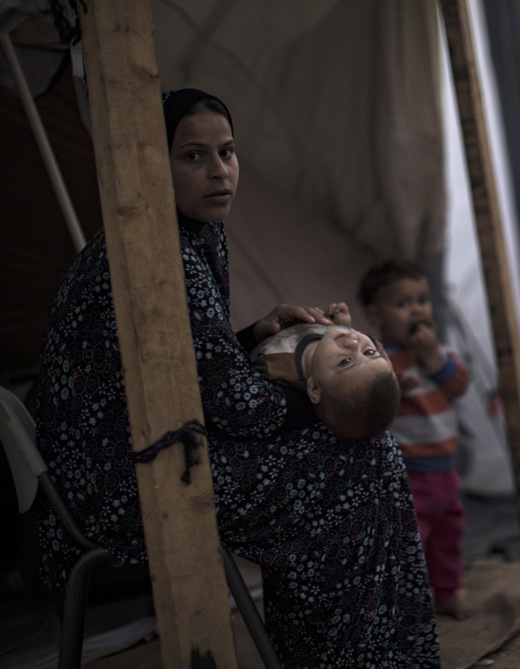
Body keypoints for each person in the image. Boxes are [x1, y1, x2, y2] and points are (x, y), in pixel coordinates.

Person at [33, 89, 440, 668]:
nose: (219, 171)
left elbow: (189, 365)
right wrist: (325, 391)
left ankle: (357, 655)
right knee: (360, 459)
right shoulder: (155, 250)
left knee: (357, 457)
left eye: (227, 152)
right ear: (150, 162)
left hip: (160, 446)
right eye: (193, 156)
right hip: (121, 482)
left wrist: (253, 336)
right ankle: (350, 658)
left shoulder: (193, 234)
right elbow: (239, 407)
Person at [358, 260, 472, 619]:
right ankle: (406, 602)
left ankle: (447, 592)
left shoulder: (436, 352)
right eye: (403, 304)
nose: (418, 310)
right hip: (409, 471)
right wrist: (392, 388)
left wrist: (434, 359)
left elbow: (458, 386)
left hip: (445, 468)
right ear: (376, 314)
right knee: (410, 542)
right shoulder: (378, 359)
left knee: (448, 534)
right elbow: (367, 406)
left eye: (422, 300)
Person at [249, 301, 401, 440]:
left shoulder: (276, 366)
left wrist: (256, 335)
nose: (354, 343)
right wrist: (343, 326)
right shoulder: (346, 347)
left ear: (314, 388)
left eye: (345, 361)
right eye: (369, 353)